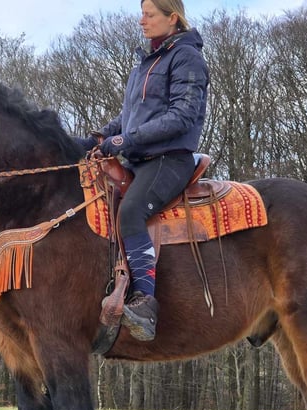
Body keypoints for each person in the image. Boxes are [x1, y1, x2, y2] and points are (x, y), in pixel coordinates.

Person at [76, 0, 209, 341]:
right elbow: (131, 117)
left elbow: (183, 115)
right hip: (139, 159)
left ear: (172, 18)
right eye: (142, 14)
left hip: (169, 159)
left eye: (149, 15)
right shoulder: (145, 64)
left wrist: (125, 141)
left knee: (132, 211)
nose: (141, 21)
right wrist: (101, 136)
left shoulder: (187, 57)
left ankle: (145, 303)